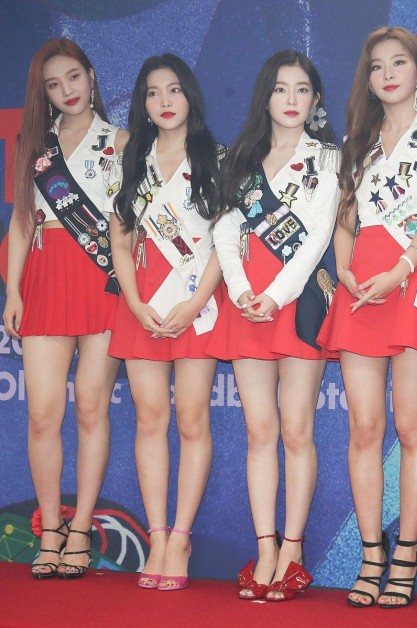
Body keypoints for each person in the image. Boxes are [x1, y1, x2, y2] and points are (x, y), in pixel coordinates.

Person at [317, 26, 417, 608]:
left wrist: (399, 270)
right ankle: (370, 551)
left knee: (411, 428)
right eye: (377, 67)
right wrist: (345, 269)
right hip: (360, 288)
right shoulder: (358, 141)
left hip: (414, 278)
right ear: (369, 80)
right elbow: (344, 220)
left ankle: (406, 552)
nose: (388, 74)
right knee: (364, 427)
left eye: (398, 63)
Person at [207, 49, 339, 602]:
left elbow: (318, 235)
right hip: (247, 304)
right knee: (259, 432)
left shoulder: (328, 159)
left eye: (302, 89)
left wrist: (275, 295)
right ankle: (265, 548)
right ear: (265, 96)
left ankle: (293, 550)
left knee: (296, 430)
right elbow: (223, 230)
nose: (291, 99)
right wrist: (241, 290)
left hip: (298, 302)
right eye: (281, 89)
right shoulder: (240, 158)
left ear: (315, 100)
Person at [2, 38, 128, 579]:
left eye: (74, 77)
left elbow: (129, 226)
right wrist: (13, 291)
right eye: (54, 84)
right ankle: (50, 529)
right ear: (44, 93)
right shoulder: (34, 147)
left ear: (91, 76)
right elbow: (20, 223)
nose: (67, 90)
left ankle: (80, 530)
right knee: (43, 413)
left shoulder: (121, 142)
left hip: (102, 281)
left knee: (91, 408)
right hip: (46, 278)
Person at [108, 54, 224, 591]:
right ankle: (156, 536)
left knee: (191, 420)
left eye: (174, 90)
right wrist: (134, 303)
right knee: (150, 418)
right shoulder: (132, 158)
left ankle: (181, 538)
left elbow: (226, 241)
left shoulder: (216, 158)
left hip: (196, 307)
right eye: (153, 93)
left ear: (190, 95)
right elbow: (120, 239)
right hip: (144, 305)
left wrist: (197, 301)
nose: (165, 101)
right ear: (143, 103)